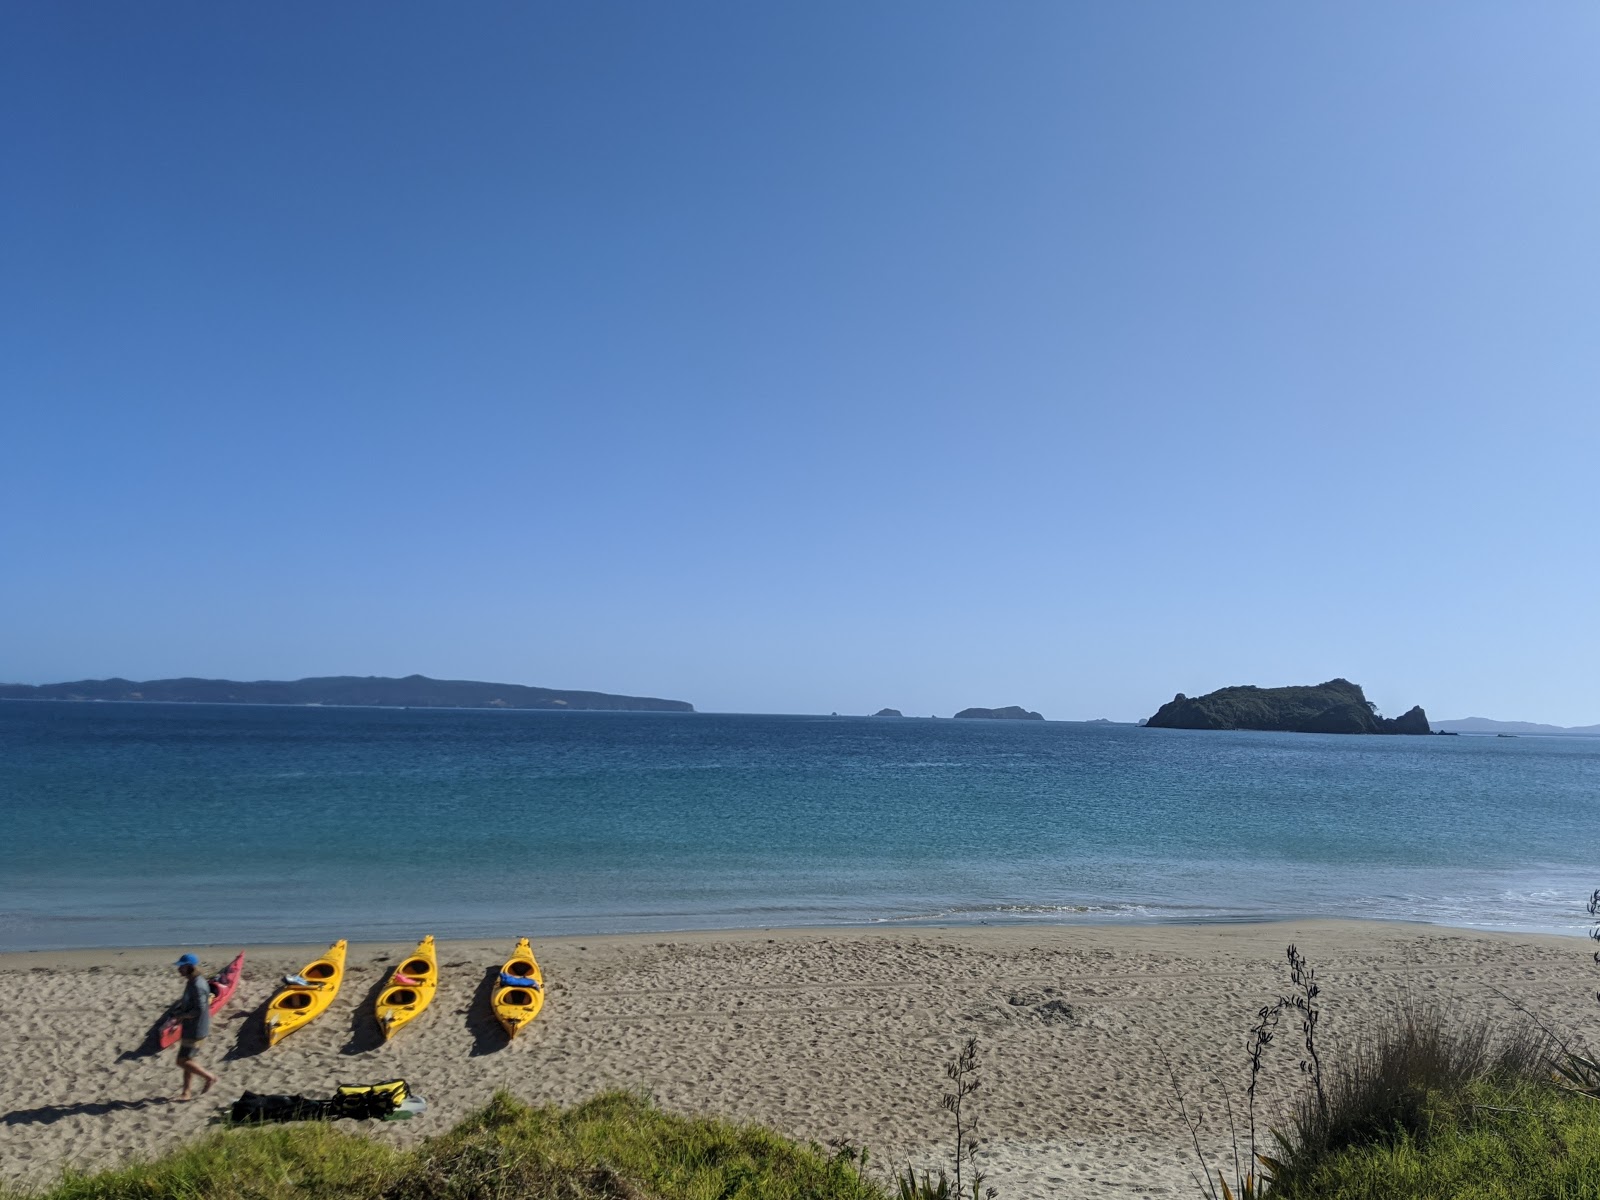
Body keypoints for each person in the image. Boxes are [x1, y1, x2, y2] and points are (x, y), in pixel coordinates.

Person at [172, 953, 219, 1101]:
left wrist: (182, 1016)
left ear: (189, 967)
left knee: (181, 1061)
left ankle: (210, 1077)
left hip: (196, 1029)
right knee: (187, 1059)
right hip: (191, 1027)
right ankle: (186, 1092)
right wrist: (181, 1014)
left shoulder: (198, 985)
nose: (179, 969)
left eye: (181, 966)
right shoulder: (192, 981)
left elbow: (199, 1009)